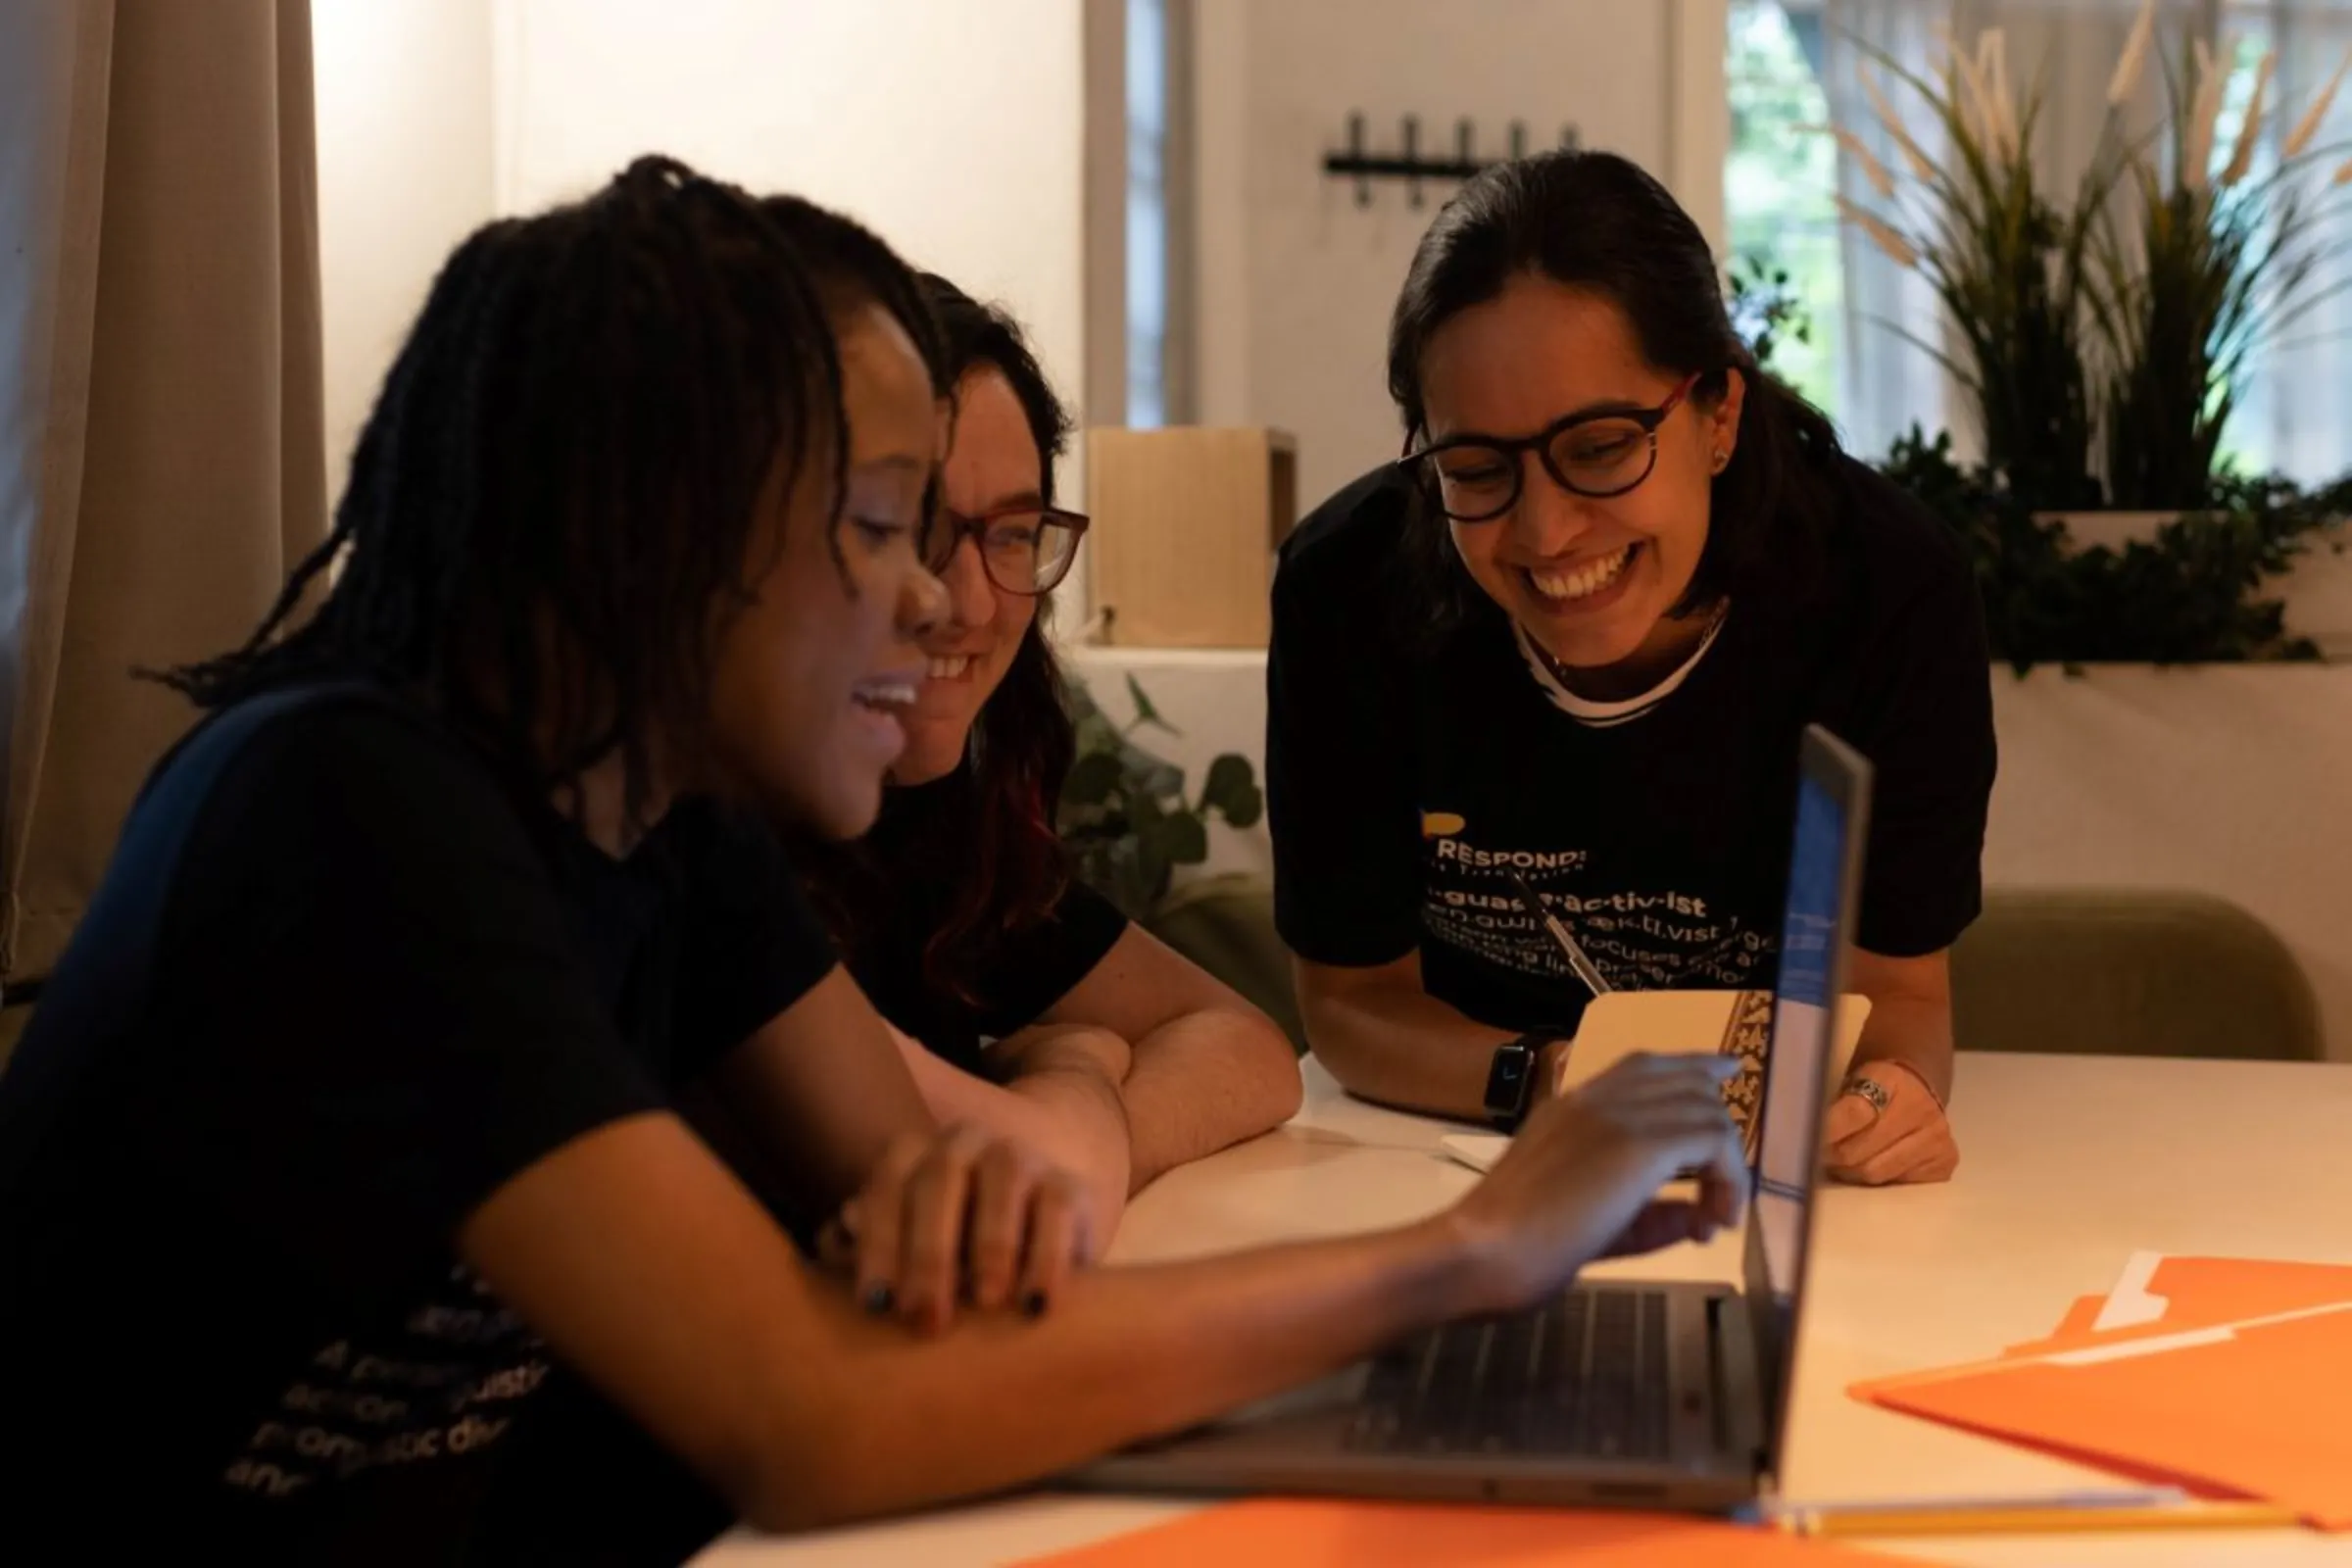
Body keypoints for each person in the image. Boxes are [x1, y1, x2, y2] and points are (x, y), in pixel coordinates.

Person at [0, 158, 1746, 1564]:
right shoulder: (357, 817)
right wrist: (1476, 1251)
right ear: (666, 518)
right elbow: (813, 1422)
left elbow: (959, 1231)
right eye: (882, 518)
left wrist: (972, 1196)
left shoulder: (659, 825)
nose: (937, 597)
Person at [1267, 150, 1996, 1187]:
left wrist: (1889, 1101)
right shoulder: (1349, 591)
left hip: (1768, 1185)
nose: (1546, 530)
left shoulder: (1885, 590)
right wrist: (1552, 1077)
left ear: (1719, 415)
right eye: (1476, 468)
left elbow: (1900, 996)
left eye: (1602, 447)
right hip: (1444, 1163)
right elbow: (1349, 1002)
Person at [792, 271, 1301, 1238]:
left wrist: (1096, 1130)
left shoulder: (940, 815)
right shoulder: (705, 863)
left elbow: (1245, 1046)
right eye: (923, 529)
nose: (975, 602)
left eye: (1016, 534)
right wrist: (1070, 1065)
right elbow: (1042, 1173)